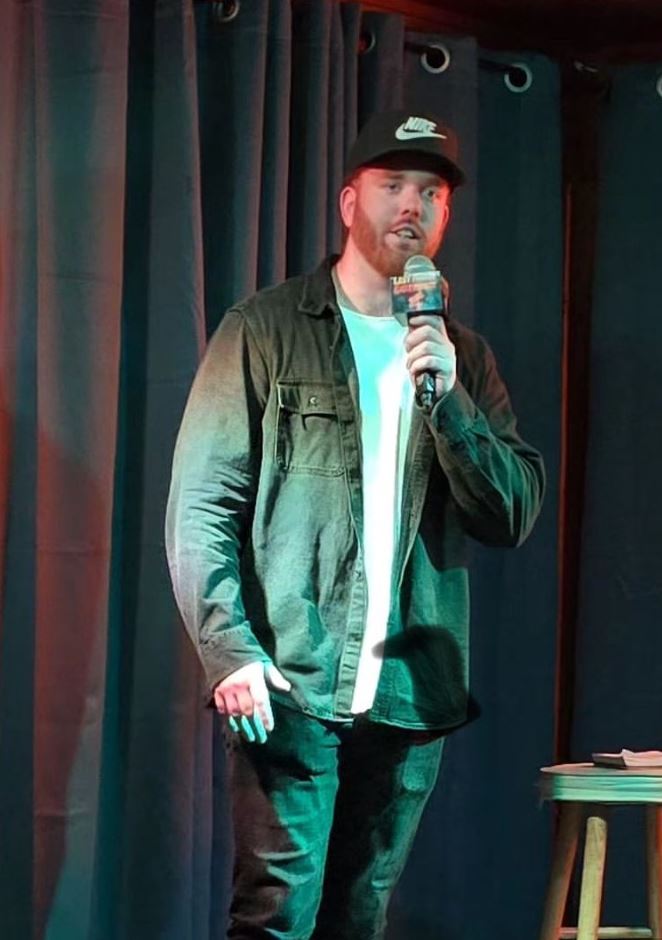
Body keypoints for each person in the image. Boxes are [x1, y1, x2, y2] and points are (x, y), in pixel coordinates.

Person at [165, 109, 545, 939]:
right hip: (290, 681)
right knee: (275, 918)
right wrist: (230, 649)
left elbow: (510, 512)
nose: (411, 205)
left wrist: (450, 404)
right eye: (393, 185)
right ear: (348, 202)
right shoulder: (263, 329)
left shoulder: (464, 357)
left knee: (358, 920)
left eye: (431, 191)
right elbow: (200, 506)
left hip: (409, 696)